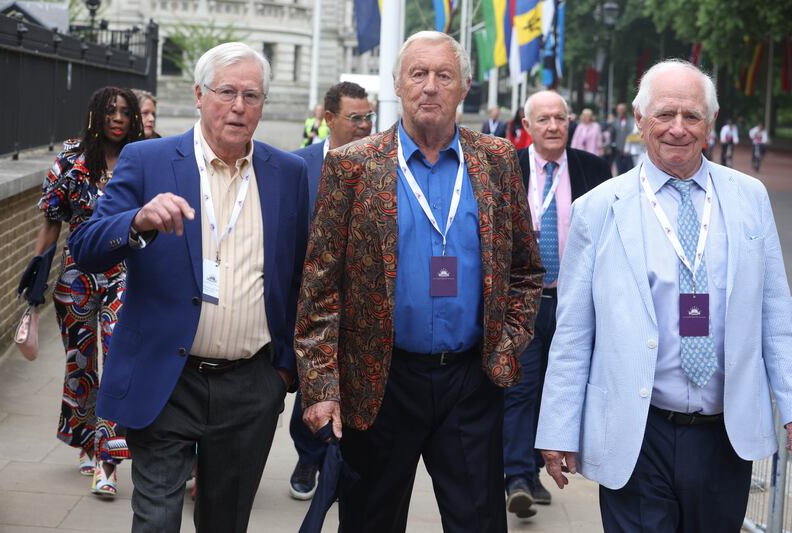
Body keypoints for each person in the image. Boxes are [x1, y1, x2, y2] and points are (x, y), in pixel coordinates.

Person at [295, 31, 544, 533]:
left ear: (463, 88)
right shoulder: (353, 166)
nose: (430, 87)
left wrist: (505, 352)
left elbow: (525, 271)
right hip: (381, 384)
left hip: (470, 383)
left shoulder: (496, 161)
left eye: (443, 75)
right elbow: (320, 287)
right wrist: (321, 386)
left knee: (479, 522)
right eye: (418, 74)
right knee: (370, 522)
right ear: (398, 84)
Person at [535, 59, 792, 532]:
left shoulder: (749, 198)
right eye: (665, 115)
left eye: (691, 116)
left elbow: (776, 313)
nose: (678, 129)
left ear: (711, 123)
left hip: (725, 433)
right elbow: (573, 332)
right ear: (639, 120)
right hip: (637, 431)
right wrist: (557, 428)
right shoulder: (596, 209)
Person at [68, 42, 309, 532]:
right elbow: (85, 246)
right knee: (156, 517)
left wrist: (282, 373)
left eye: (251, 95)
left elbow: (300, 274)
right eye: (226, 92)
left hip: (250, 383)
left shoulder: (289, 172)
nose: (239, 106)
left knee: (226, 521)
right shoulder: (147, 159)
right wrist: (136, 220)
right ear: (200, 96)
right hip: (165, 373)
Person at [24, 86, 143, 497]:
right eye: (110, 111)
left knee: (116, 358)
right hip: (76, 276)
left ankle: (108, 461)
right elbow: (51, 222)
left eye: (126, 112)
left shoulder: (141, 157)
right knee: (81, 363)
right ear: (96, 115)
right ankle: (83, 441)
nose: (118, 118)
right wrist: (35, 280)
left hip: (125, 273)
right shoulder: (71, 159)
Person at [503, 91, 611, 520]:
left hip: (572, 302)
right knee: (521, 389)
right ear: (527, 126)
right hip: (522, 300)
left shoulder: (594, 169)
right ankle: (517, 476)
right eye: (544, 119)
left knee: (557, 388)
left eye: (560, 118)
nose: (553, 126)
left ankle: (535, 469)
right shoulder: (507, 167)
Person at [288, 80, 373, 499]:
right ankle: (309, 458)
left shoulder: (380, 165)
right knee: (312, 385)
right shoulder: (297, 167)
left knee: (353, 387)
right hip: (309, 300)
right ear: (329, 119)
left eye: (368, 117)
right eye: (354, 118)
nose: (363, 126)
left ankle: (339, 462)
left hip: (360, 303)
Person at [611, 103, 635, 175]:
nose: (620, 111)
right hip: (618, 150)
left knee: (630, 171)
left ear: (625, 110)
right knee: (620, 172)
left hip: (629, 151)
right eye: (619, 110)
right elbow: (613, 134)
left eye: (622, 109)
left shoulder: (632, 121)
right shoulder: (615, 121)